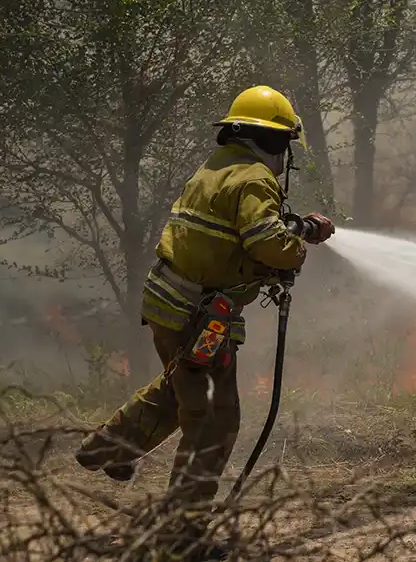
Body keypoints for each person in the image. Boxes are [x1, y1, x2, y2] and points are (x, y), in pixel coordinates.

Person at [74, 86, 334, 559]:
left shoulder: (216, 169)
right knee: (213, 418)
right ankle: (180, 533)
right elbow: (265, 244)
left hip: (169, 304)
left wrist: (294, 227)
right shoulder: (256, 179)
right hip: (198, 316)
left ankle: (109, 448)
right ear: (275, 141)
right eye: (284, 144)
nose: (284, 157)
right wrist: (296, 247)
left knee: (185, 389)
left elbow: (232, 234)